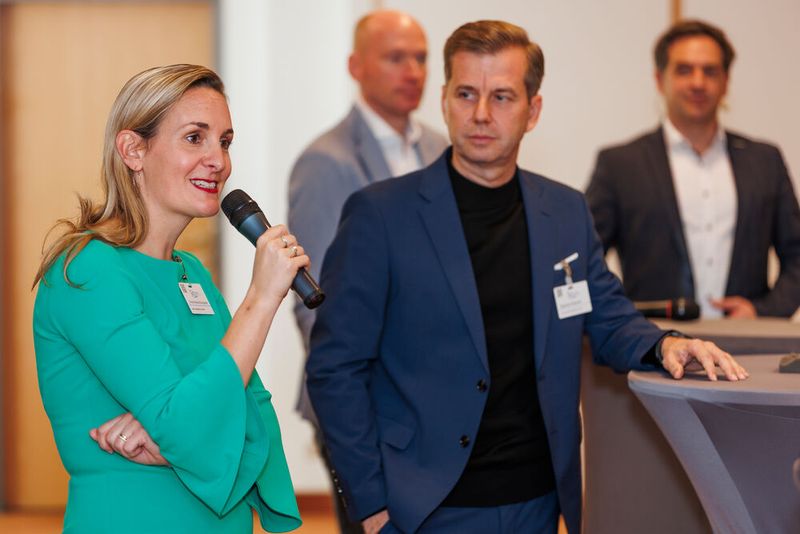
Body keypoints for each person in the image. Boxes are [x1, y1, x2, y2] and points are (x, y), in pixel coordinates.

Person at [306, 20, 748, 534]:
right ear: (445, 99)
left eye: (502, 97)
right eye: (466, 93)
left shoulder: (563, 211)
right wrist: (369, 502)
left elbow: (605, 315)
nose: (480, 114)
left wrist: (665, 343)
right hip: (422, 505)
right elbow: (334, 366)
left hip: (537, 499)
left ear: (532, 110)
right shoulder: (380, 216)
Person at [33, 64, 304, 534]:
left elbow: (260, 420)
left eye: (225, 141)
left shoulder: (191, 274)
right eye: (195, 138)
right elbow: (193, 426)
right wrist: (261, 299)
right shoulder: (87, 270)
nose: (218, 160)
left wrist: (184, 438)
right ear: (133, 150)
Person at [288, 9, 446, 533]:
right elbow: (316, 305)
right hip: (364, 406)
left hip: (436, 401)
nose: (413, 71)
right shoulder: (326, 161)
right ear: (356, 65)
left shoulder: (441, 150)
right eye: (395, 57)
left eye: (421, 58)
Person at [586, 19, 800, 318]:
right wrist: (620, 317)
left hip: (750, 347)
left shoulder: (765, 160)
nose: (698, 82)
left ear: (726, 81)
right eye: (684, 70)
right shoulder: (620, 164)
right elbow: (584, 262)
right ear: (660, 79)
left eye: (710, 71)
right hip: (652, 347)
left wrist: (763, 310)